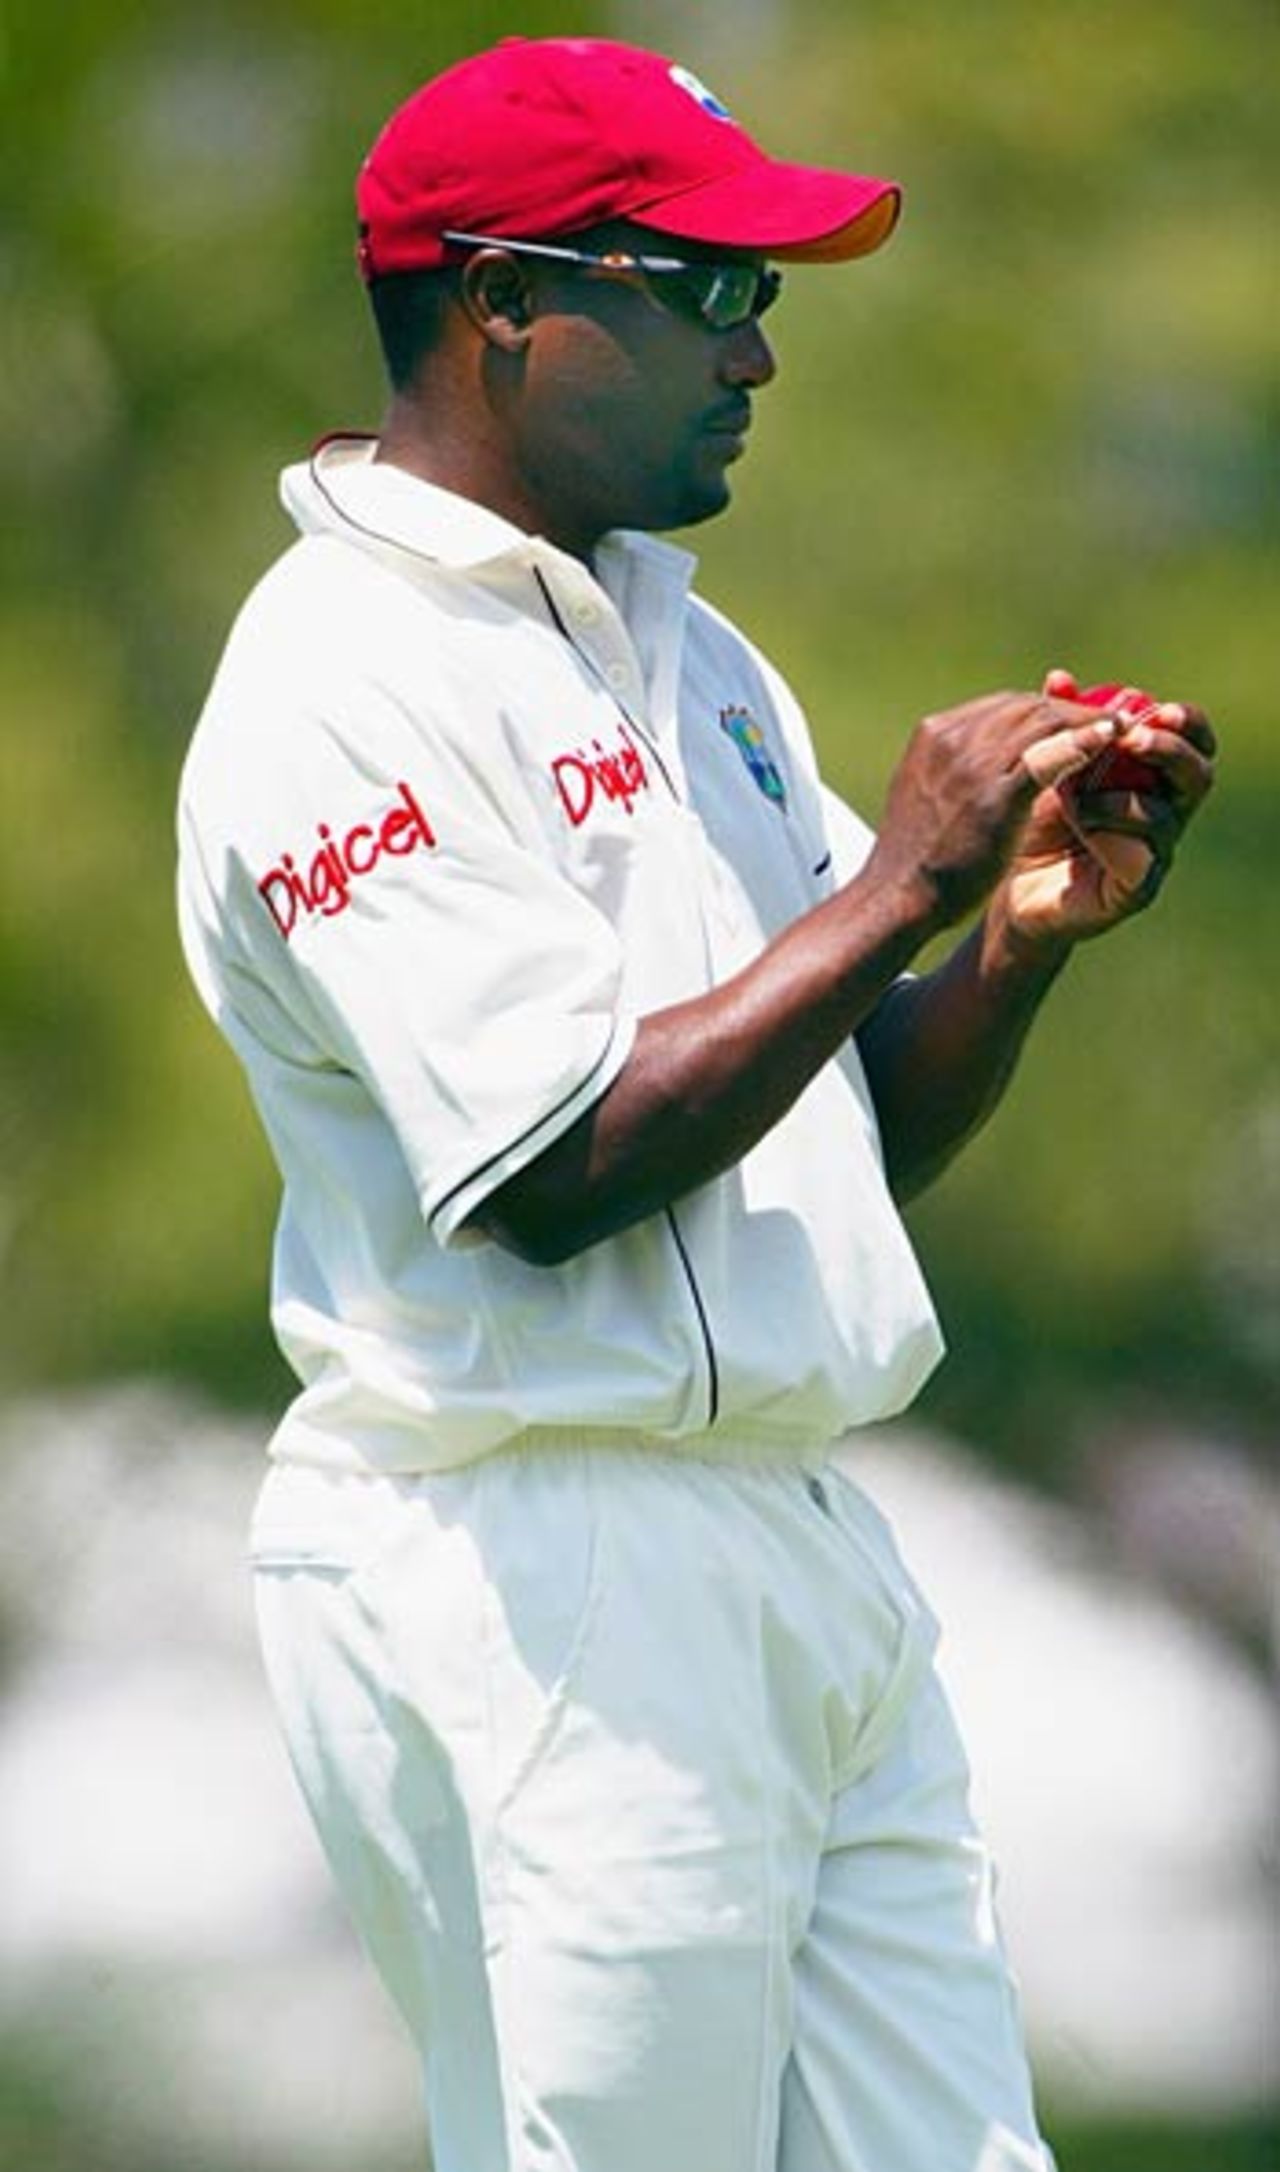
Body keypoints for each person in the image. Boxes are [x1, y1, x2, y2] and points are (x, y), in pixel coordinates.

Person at [176, 35, 1215, 2172]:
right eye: (711, 290)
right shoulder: (334, 676)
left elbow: (828, 1151)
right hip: (532, 1552)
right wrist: (900, 880)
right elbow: (553, 1173)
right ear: (503, 301)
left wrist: (1002, 940)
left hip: (792, 1532)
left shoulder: (690, 648)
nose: (759, 353)